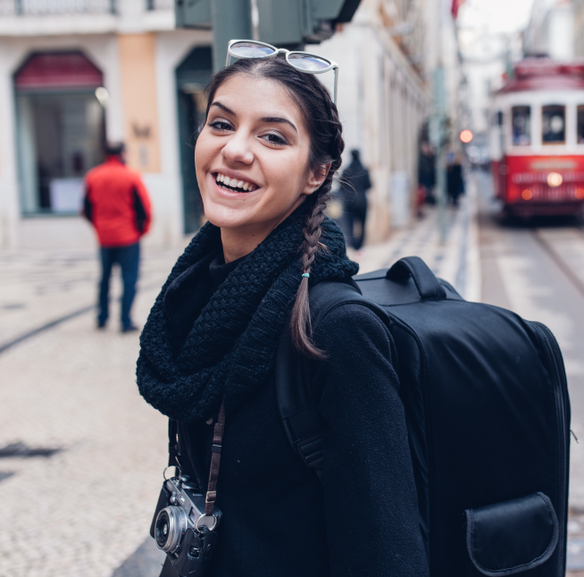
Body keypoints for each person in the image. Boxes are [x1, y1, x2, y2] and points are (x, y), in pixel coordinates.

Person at [135, 43, 427, 576]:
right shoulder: (194, 301)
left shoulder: (335, 330)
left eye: (272, 136)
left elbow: (387, 556)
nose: (236, 150)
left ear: (316, 173)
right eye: (221, 124)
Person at [82, 141, 151, 332]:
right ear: (122, 153)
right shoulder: (131, 176)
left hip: (104, 238)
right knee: (129, 279)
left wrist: (99, 228)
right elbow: (144, 209)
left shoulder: (93, 176)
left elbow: (86, 209)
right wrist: (140, 232)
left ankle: (102, 317)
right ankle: (125, 320)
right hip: (128, 237)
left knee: (104, 278)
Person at [339, 148, 371, 250]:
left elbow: (341, 186)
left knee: (350, 225)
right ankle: (360, 246)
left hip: (350, 202)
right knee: (362, 224)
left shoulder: (347, 171)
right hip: (362, 202)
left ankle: (353, 245)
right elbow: (369, 186)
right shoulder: (364, 171)